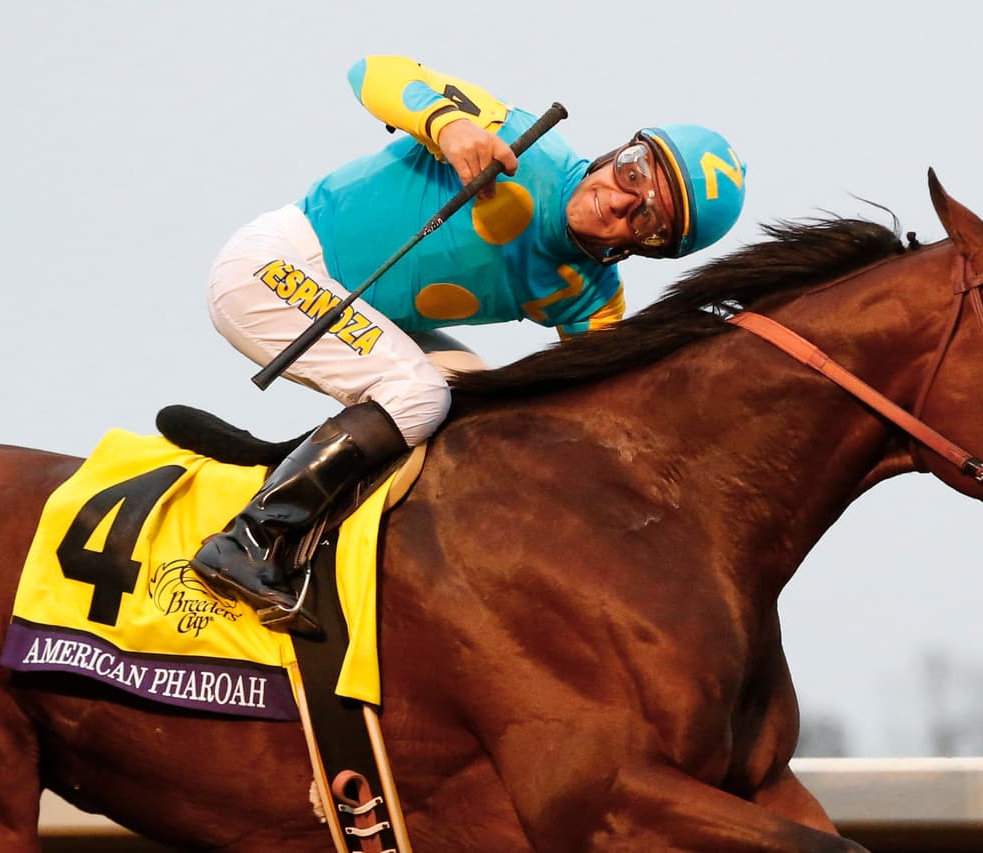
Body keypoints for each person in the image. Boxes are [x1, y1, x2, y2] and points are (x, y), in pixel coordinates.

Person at [192, 55, 747, 637]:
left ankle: (337, 546)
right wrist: (445, 124)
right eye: (632, 173)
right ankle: (249, 540)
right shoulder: (519, 138)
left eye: (648, 219)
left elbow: (618, 411)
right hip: (275, 266)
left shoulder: (591, 297)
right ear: (619, 151)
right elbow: (370, 70)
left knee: (475, 414)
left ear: (649, 250)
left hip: (358, 313)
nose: (617, 201)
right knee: (419, 394)